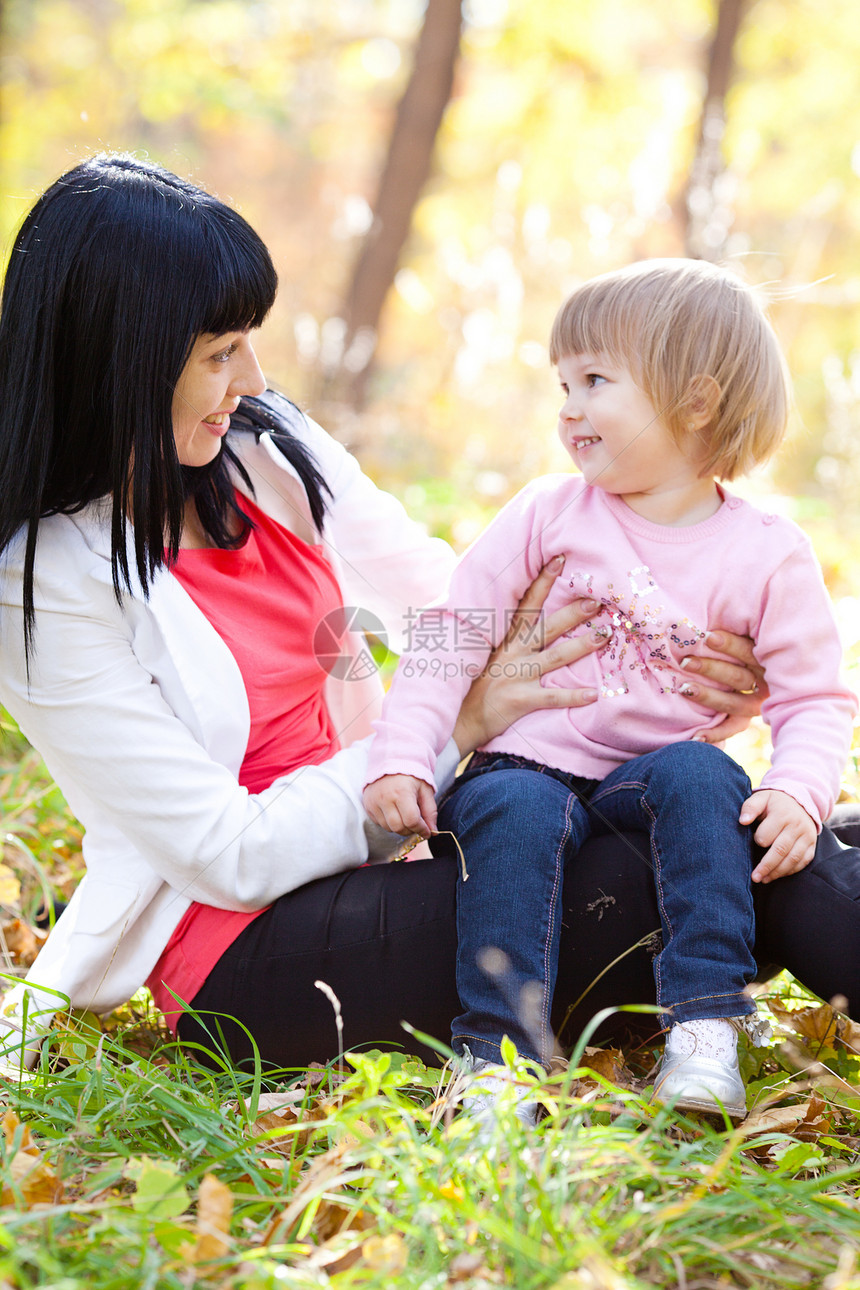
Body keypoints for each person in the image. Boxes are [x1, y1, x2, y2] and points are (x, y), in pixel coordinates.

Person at [0, 158, 857, 1093]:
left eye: (250, 342)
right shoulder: (39, 585)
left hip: (409, 850)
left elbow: (444, 604)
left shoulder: (260, 444)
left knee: (754, 824)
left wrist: (649, 654)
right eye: (219, 353)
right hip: (254, 954)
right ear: (119, 358)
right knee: (718, 854)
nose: (253, 377)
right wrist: (456, 727)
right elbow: (227, 854)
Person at [364, 259, 858, 1118]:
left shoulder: (768, 554)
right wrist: (404, 751)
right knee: (516, 813)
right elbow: (451, 634)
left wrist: (798, 788)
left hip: (651, 780)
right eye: (563, 383)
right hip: (525, 764)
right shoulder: (550, 512)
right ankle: (497, 1062)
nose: (568, 408)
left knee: (708, 779)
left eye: (595, 380)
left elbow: (814, 699)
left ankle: (705, 1027)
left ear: (696, 402)